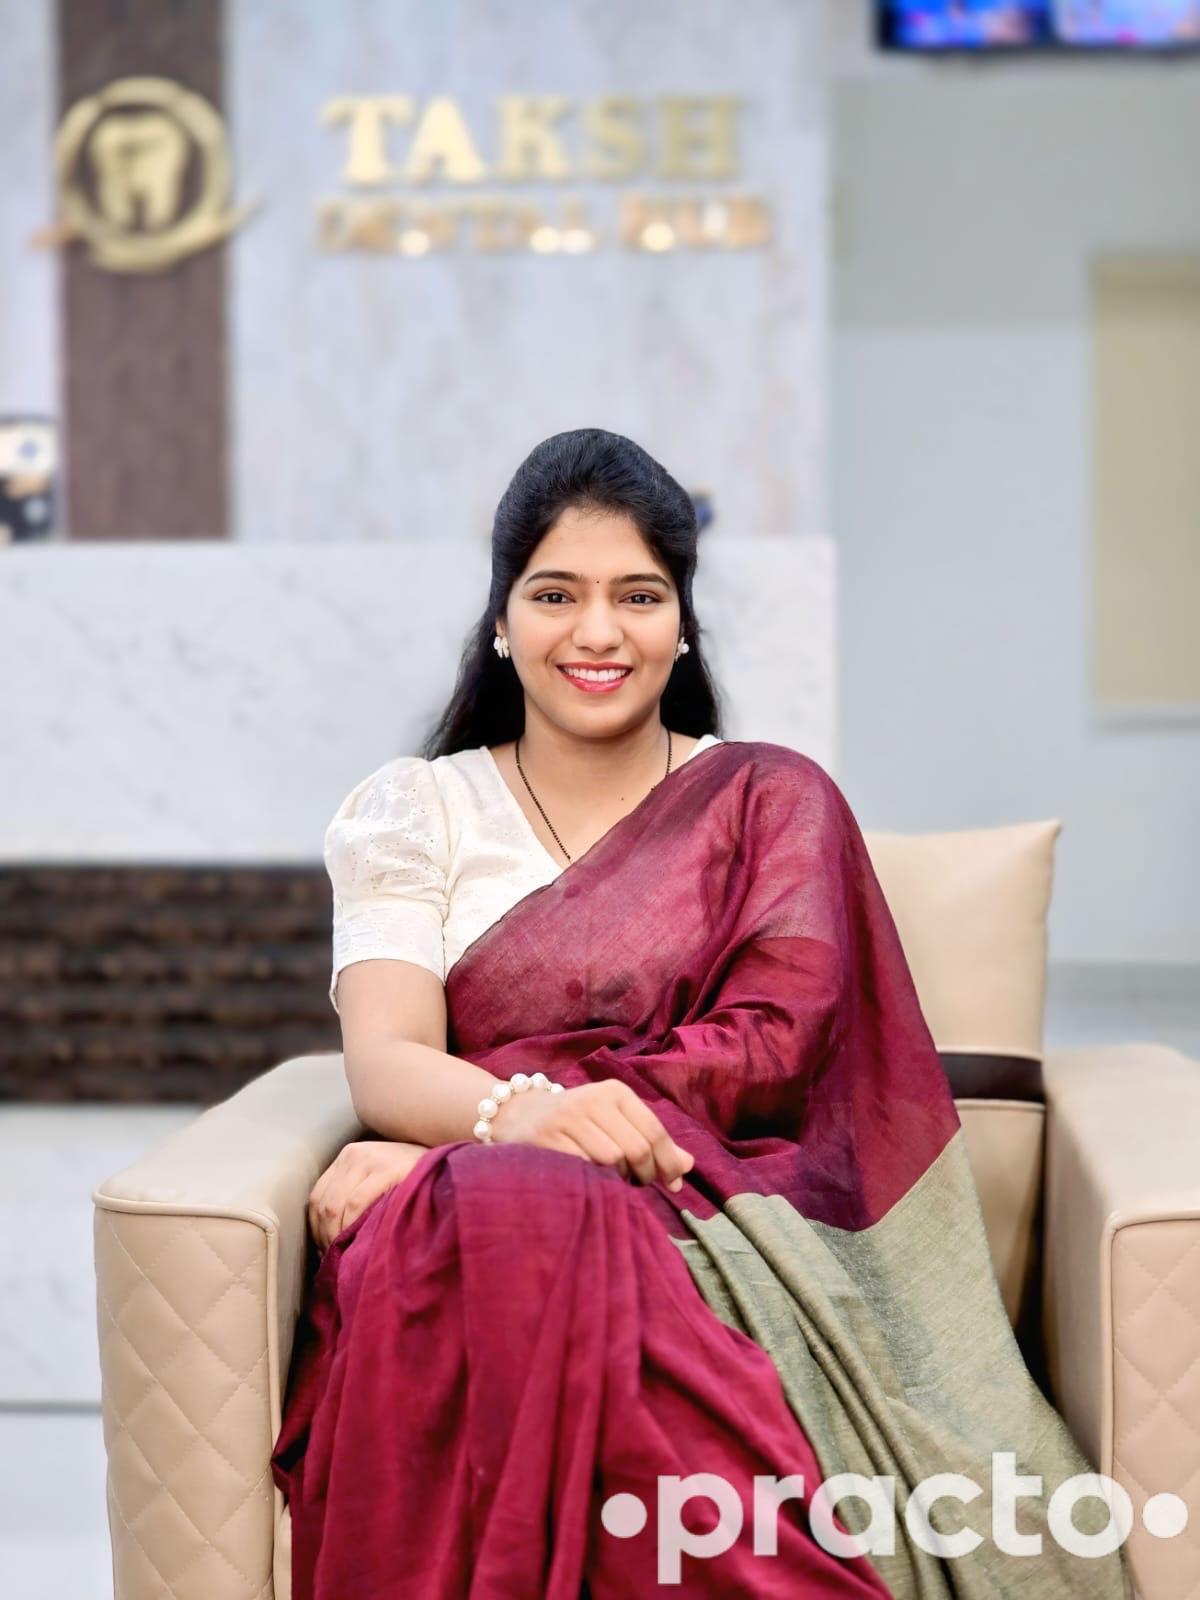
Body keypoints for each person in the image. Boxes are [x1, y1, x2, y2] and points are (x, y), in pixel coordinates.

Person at [271, 429, 1132, 1599]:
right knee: (506, 1208)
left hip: (700, 1204)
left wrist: (457, 1148)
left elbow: (772, 1049)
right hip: (469, 1214)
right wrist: (504, 1130)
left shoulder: (770, 800)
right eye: (555, 594)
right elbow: (386, 1059)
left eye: (638, 595)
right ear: (501, 617)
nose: (597, 631)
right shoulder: (413, 812)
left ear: (681, 623)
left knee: (511, 1204)